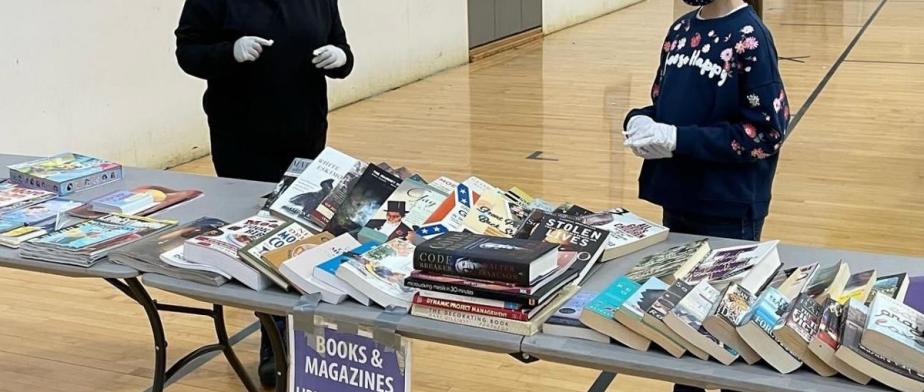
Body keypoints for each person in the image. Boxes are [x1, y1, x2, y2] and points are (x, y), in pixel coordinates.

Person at [174, 0, 354, 387]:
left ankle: (303, 329)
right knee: (256, 238)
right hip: (241, 139)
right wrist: (230, 51)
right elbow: (188, 52)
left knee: (302, 234)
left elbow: (341, 47)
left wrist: (339, 58)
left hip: (305, 134)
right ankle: (273, 337)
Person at [623, 0, 788, 390]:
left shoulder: (751, 38)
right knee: (681, 325)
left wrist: (679, 139)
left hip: (727, 209)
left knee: (728, 331)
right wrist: (640, 119)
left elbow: (766, 134)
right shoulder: (680, 32)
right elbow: (665, 106)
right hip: (680, 200)